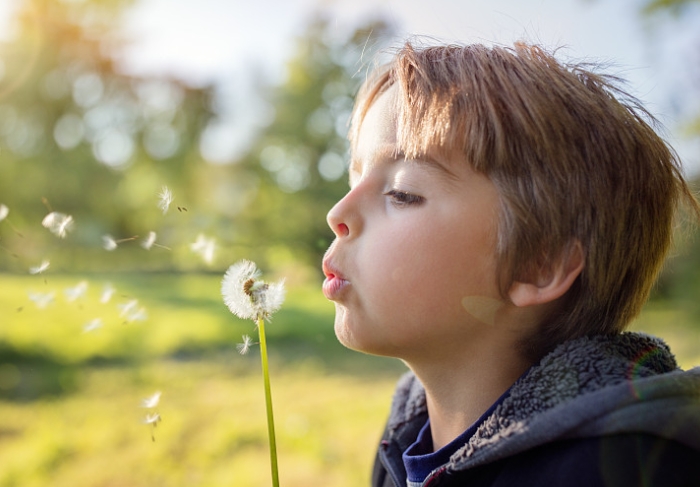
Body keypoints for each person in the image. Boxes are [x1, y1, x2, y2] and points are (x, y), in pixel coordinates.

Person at [321, 41, 700, 486]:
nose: (337, 213)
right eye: (354, 177)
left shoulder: (621, 468)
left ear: (538, 265)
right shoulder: (404, 437)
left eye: (402, 192)